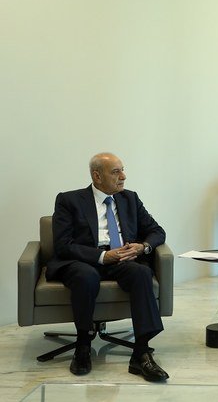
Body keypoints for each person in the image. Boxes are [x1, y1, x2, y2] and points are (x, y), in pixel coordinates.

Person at [47, 152, 169, 382]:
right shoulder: (69, 200)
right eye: (116, 172)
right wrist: (103, 255)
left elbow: (157, 231)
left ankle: (141, 352)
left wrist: (142, 247)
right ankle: (83, 345)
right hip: (84, 260)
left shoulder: (130, 199)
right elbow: (63, 245)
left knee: (142, 272)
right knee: (86, 276)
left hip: (122, 258)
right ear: (97, 176)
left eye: (122, 169)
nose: (123, 176)